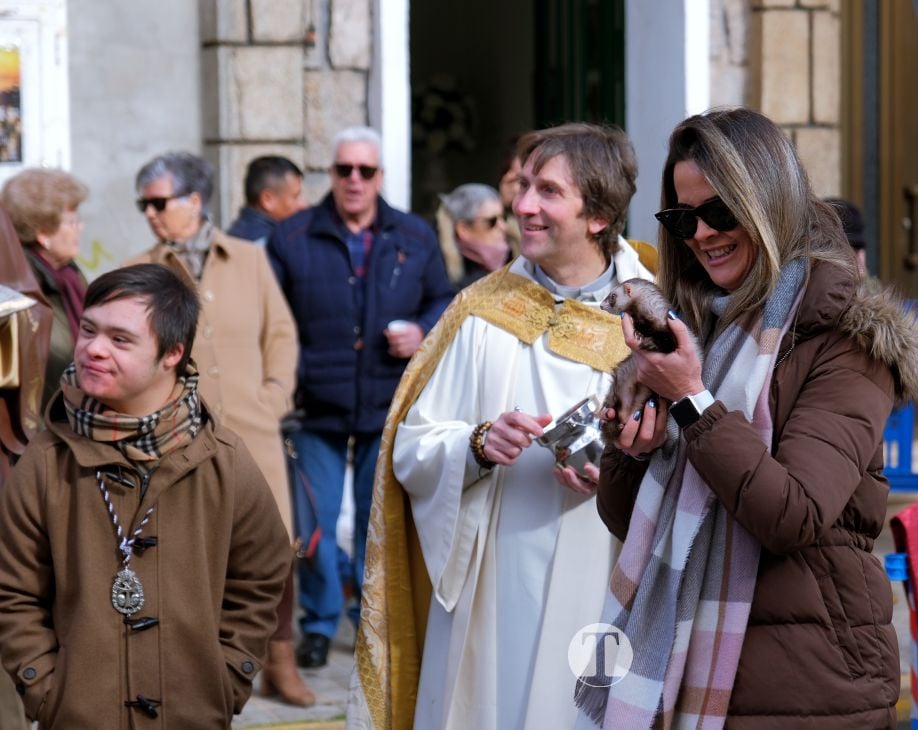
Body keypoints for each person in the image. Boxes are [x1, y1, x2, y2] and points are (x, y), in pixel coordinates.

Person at [579, 108, 918, 728]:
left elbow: (791, 515)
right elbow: (626, 520)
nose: (702, 234)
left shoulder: (846, 339)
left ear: (768, 204)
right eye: (684, 218)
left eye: (721, 212)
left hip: (811, 681)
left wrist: (693, 401)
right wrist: (634, 452)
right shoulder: (691, 330)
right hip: (682, 674)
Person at [347, 122, 655, 729]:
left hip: (604, 576)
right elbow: (410, 449)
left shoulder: (652, 318)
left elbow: (696, 453)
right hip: (491, 587)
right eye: (523, 186)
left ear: (597, 215)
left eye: (547, 191)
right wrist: (478, 445)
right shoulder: (483, 313)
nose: (524, 206)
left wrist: (623, 467)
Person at [0, 264, 290, 728]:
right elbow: (11, 589)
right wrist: (44, 686)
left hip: (194, 713)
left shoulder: (223, 459)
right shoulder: (46, 459)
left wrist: (231, 673)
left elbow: (260, 577)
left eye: (120, 339)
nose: (93, 348)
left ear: (172, 353)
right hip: (77, 715)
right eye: (89, 329)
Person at [267, 125, 456, 670]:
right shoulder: (294, 235)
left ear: (380, 177)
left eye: (365, 171)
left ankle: (373, 623)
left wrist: (422, 329)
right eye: (343, 169)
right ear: (331, 174)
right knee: (314, 528)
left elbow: (443, 298)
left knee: (381, 523)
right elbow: (272, 316)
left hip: (386, 404)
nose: (353, 180)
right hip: (315, 407)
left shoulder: (414, 235)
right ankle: (320, 624)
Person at [125, 151, 310, 705]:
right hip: (179, 440)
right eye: (144, 205)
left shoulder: (250, 258)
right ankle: (203, 670)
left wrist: (274, 396)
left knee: (275, 551)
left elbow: (280, 333)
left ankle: (281, 662)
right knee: (192, 556)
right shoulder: (146, 270)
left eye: (159, 202)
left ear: (194, 200)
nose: (151, 214)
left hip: (254, 431)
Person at [1, 169, 89, 408]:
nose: (79, 227)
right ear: (43, 233)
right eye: (71, 221)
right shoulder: (18, 287)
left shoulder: (70, 275)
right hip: (38, 427)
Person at [435, 182, 512, 290]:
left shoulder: (518, 259)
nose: (504, 227)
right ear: (463, 229)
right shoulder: (441, 273)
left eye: (503, 217)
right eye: (492, 221)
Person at [227, 155, 308, 245]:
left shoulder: (233, 236)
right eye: (295, 197)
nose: (303, 205)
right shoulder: (272, 248)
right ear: (268, 200)